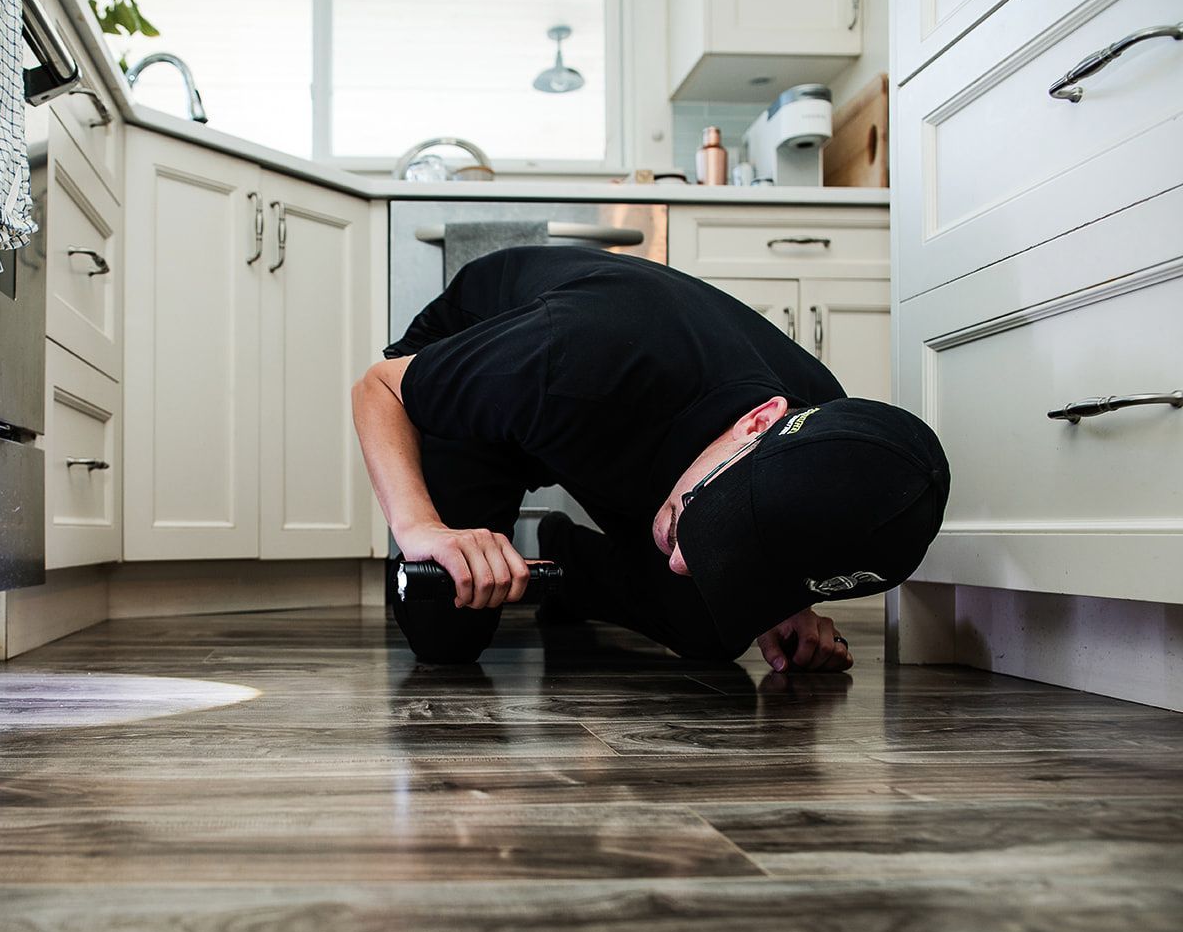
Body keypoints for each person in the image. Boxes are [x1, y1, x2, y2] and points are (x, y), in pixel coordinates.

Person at [351, 245, 949, 669]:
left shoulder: (832, 446)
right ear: (758, 422)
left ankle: (568, 562)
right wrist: (422, 529)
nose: (686, 560)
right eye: (707, 520)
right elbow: (377, 389)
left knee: (711, 629)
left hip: (614, 424)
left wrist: (781, 599)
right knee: (444, 634)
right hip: (490, 369)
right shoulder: (572, 354)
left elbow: (784, 534)